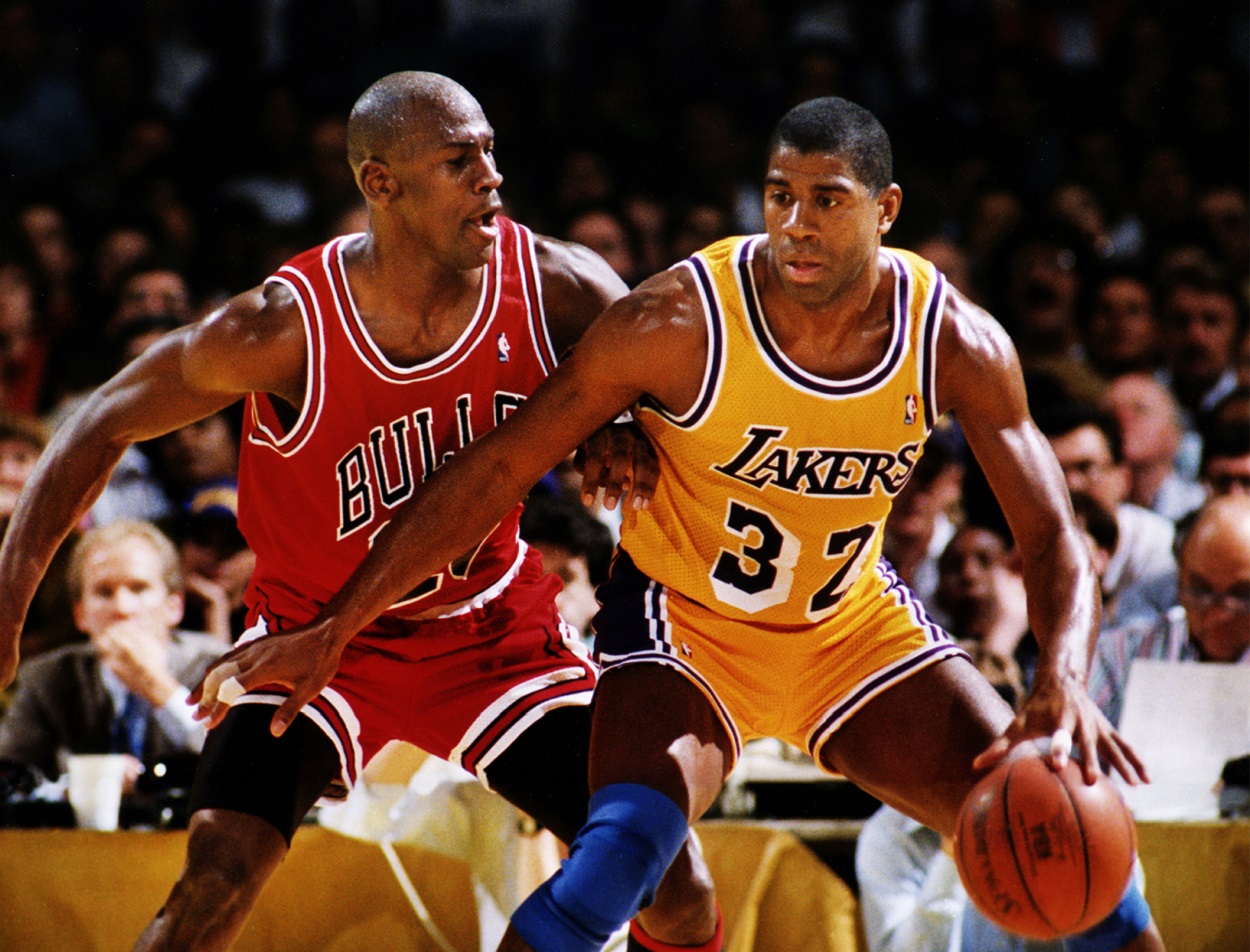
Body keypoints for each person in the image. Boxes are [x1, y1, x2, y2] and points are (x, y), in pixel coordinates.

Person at [197, 96, 1166, 952]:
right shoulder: (677, 318)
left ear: (886, 211)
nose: (795, 222)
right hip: (685, 629)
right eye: (777, 195)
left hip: (845, 630)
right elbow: (490, 470)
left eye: (825, 198)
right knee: (612, 873)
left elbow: (1049, 537)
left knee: (1075, 843)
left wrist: (1062, 679)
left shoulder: (951, 338)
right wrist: (343, 619)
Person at [0, 72, 711, 952]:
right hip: (312, 636)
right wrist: (7, 607)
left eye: (490, 152)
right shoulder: (285, 327)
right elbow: (96, 424)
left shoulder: (558, 284)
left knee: (672, 882)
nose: (491, 177)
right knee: (215, 881)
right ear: (382, 185)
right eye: (459, 160)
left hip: (486, 629)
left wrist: (625, 424)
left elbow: (687, 401)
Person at [0, 520, 225, 791]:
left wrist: (160, 689)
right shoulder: (47, 676)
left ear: (174, 606)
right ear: (80, 614)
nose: (122, 608)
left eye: (139, 588)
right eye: (104, 592)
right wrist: (78, 785)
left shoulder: (217, 665)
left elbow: (241, 764)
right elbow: (8, 778)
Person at [1089, 494, 1250, 728]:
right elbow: (1056, 751)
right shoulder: (1117, 656)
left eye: (1242, 595)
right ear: (1179, 578)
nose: (1219, 614)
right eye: (1200, 591)